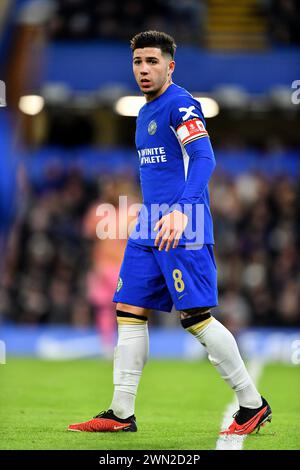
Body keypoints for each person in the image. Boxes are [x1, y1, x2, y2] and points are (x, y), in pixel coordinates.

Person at [68, 31, 272, 435]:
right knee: (128, 309)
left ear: (170, 66)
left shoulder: (181, 103)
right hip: (148, 225)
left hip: (183, 223)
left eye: (152, 62)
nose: (144, 70)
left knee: (195, 318)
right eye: (138, 62)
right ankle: (121, 413)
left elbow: (204, 157)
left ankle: (251, 404)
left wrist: (182, 210)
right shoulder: (144, 112)